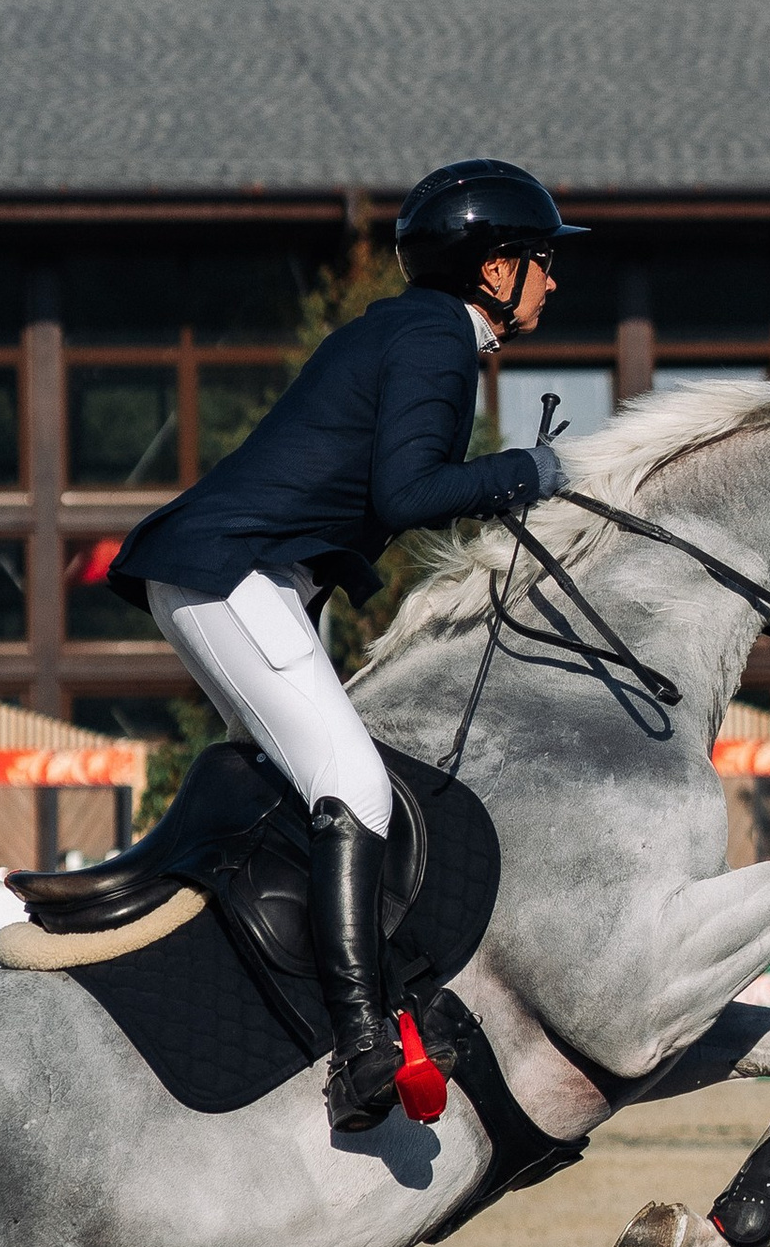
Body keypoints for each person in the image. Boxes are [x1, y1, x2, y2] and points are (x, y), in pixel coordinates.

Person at [110, 160, 584, 1130]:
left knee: (305, 785)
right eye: (539, 261)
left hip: (241, 576)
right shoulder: (436, 339)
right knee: (354, 788)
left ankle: (307, 994)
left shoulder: (415, 332)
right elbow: (407, 495)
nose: (552, 280)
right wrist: (533, 470)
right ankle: (362, 1045)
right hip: (235, 573)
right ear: (493, 271)